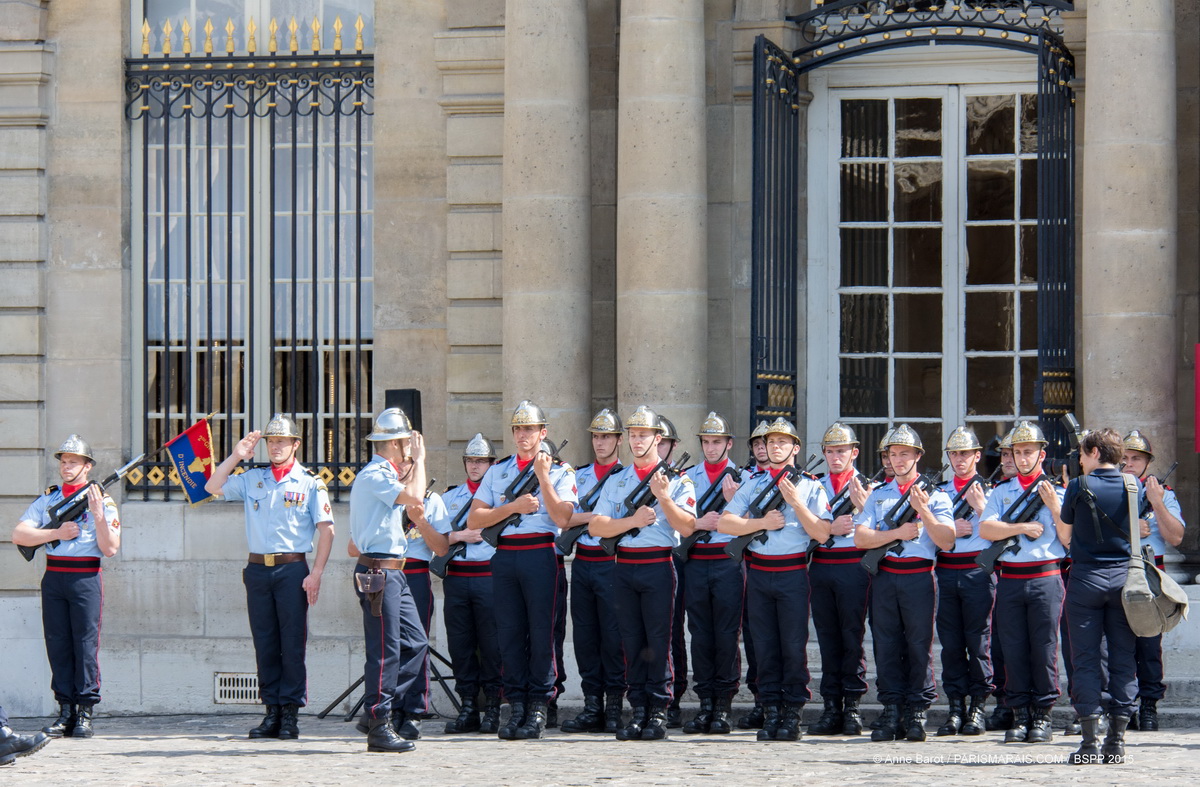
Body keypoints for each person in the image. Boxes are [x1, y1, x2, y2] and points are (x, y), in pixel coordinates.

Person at [205, 414, 335, 740]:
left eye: (282, 441)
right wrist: (236, 455)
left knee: (292, 643)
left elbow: (327, 531)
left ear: (295, 445)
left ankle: (290, 713)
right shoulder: (253, 478)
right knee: (265, 642)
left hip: (292, 569)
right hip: (258, 570)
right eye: (271, 442)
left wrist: (316, 573)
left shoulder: (310, 483)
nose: (275, 447)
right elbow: (211, 486)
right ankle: (271, 711)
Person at [468, 400, 577, 740]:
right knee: (510, 634)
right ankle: (515, 704)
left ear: (543, 433)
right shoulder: (498, 471)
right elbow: (475, 519)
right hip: (505, 556)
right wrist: (512, 506)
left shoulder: (561, 471)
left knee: (542, 634)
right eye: (518, 429)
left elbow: (563, 518)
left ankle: (539, 706)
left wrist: (543, 476)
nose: (523, 435)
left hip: (541, 556)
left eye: (529, 429)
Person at [719, 418, 832, 742]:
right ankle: (770, 711)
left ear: (795, 448)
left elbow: (822, 533)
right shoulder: (753, 483)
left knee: (793, 647)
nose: (775, 447)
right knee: (764, 646)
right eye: (770, 443)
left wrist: (796, 502)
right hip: (759, 574)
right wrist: (760, 522)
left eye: (783, 442)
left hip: (792, 572)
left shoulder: (810, 485)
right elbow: (726, 524)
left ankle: (792, 713)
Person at [588, 406, 697, 741]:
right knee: (631, 641)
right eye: (633, 435)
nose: (636, 441)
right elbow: (596, 526)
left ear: (657, 438)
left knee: (659, 641)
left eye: (643, 435)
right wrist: (632, 522)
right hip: (624, 566)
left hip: (658, 565)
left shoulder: (676, 480)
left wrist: (664, 497)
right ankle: (637, 709)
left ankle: (659, 710)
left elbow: (688, 526)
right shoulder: (618, 479)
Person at [13, 435, 120, 739]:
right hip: (54, 577)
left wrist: (98, 517)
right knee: (57, 643)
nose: (66, 466)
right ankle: (65, 711)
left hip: (85, 578)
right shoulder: (49, 498)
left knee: (85, 645)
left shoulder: (103, 500)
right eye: (63, 461)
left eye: (73, 461)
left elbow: (110, 548)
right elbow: (19, 534)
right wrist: (55, 533)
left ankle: (85, 711)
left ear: (88, 466)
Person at [1048, 428, 1144, 765]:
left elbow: (1067, 529)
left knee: (1085, 659)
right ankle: (1116, 743)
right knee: (1123, 659)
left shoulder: (1078, 485)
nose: (1080, 459)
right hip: (1124, 580)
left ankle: (1089, 744)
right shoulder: (1134, 486)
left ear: (1093, 452)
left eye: (1082, 454)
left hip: (1086, 578)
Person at [855, 424, 955, 742]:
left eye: (904, 454)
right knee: (885, 645)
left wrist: (923, 510)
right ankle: (892, 708)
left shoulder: (935, 495)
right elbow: (861, 537)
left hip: (918, 576)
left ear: (917, 456)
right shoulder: (879, 495)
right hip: (885, 576)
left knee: (917, 645)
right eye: (893, 454)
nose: (898, 460)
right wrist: (896, 533)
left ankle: (916, 710)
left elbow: (947, 541)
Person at [348, 407, 431, 753]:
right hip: (379, 571)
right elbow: (415, 496)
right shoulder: (376, 474)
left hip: (393, 570)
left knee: (415, 643)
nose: (408, 449)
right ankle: (379, 722)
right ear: (396, 444)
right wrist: (421, 459)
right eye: (405, 444)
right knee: (385, 650)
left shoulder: (386, 476)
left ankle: (375, 711)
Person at [979, 420, 1065, 745]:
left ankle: (1042, 714)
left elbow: (1070, 538)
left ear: (1042, 454)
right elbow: (986, 529)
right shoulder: (1003, 492)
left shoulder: (1058, 492)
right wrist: (1020, 528)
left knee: (1043, 649)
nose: (1023, 457)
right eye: (1018, 452)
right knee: (1012, 649)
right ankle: (1019, 713)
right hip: (1011, 579)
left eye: (1029, 451)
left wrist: (1055, 508)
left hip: (1045, 576)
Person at [560, 409, 627, 734]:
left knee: (613, 636)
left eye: (606, 437)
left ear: (618, 440)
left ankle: (614, 705)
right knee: (585, 636)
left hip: (611, 563)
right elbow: (564, 518)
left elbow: (617, 522)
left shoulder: (626, 477)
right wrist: (594, 518)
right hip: (584, 561)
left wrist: (590, 517)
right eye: (596, 436)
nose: (600, 442)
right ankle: (591, 705)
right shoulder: (579, 476)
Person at [807, 422, 874, 736]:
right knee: (827, 638)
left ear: (854, 453)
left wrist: (864, 506)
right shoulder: (814, 485)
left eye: (842, 451)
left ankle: (853, 706)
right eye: (831, 451)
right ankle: (831, 705)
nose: (836, 457)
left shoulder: (867, 487)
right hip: (821, 565)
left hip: (853, 566)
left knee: (851, 638)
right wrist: (828, 528)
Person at [679, 412, 743, 735]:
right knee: (701, 634)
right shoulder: (688, 477)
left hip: (726, 562)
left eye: (717, 441)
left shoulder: (742, 478)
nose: (711, 447)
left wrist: (734, 504)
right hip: (696, 561)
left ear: (729, 444)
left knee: (727, 634)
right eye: (706, 441)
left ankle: (724, 704)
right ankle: (705, 702)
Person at [1120, 430, 1186, 732]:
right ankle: (1122, 706)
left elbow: (1175, 537)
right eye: (1125, 458)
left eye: (1136, 458)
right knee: (1117, 646)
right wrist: (1130, 528)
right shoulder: (1110, 491)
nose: (1130, 464)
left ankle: (1148, 706)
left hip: (1148, 576)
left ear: (1147, 463)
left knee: (1148, 644)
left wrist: (1157, 503)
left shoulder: (1163, 494)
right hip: (1117, 572)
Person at [932, 426, 994, 736]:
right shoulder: (939, 492)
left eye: (965, 453)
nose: (959, 459)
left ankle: (978, 707)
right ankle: (955, 706)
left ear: (977, 456)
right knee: (951, 644)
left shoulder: (991, 492)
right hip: (945, 570)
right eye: (954, 454)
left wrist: (982, 511)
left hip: (977, 571)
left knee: (978, 641)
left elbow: (1005, 530)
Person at [440, 434, 502, 734]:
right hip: (457, 578)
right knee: (460, 645)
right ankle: (467, 706)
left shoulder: (502, 499)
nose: (475, 466)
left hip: (489, 577)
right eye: (471, 460)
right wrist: (460, 536)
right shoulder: (450, 498)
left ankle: (492, 706)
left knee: (492, 645)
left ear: (492, 464)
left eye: (481, 461)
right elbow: (434, 539)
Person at [654, 414, 690, 728]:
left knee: (672, 631)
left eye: (664, 441)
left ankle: (673, 697)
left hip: (676, 556)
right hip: (641, 559)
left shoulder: (680, 478)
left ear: (673, 446)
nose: (659, 445)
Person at [736, 418, 770, 730]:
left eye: (766, 443)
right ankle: (759, 697)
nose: (762, 448)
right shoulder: (744, 478)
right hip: (748, 561)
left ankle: (772, 700)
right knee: (753, 634)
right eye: (757, 444)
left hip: (772, 560)